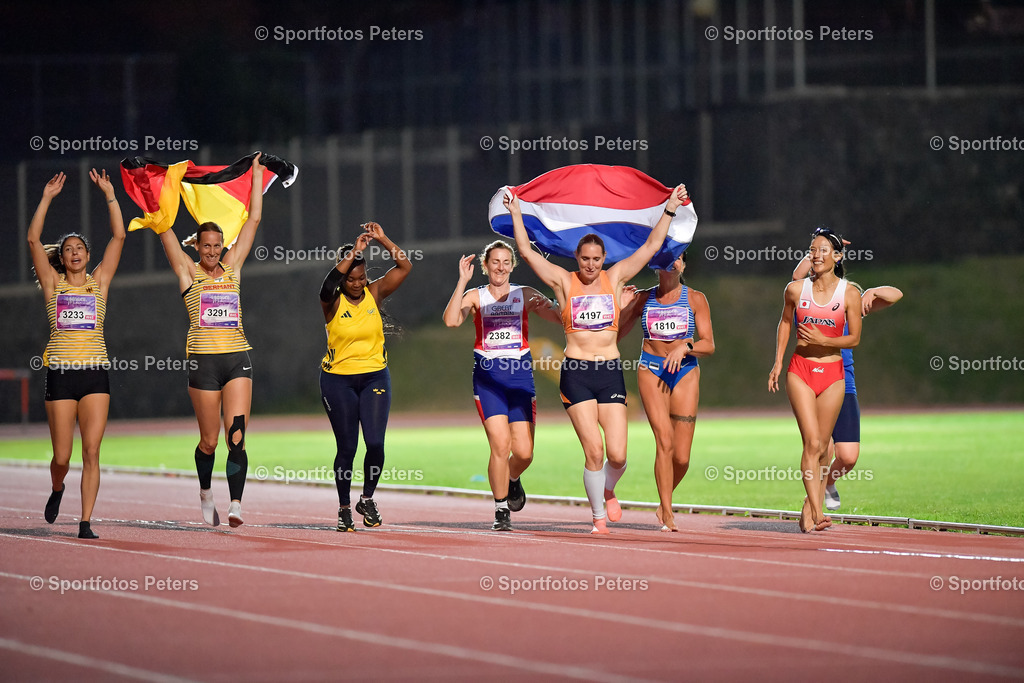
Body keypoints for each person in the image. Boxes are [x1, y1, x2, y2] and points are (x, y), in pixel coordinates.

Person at [507, 184, 690, 534]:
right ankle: (597, 520)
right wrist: (517, 213)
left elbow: (652, 245)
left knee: (618, 455)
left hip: (609, 372)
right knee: (594, 450)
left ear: (603, 259)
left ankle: (607, 488)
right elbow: (528, 253)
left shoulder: (615, 276)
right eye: (584, 259)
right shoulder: (563, 281)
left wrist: (668, 208)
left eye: (596, 259)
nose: (590, 265)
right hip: (576, 372)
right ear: (577, 259)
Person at [157, 153, 266, 528]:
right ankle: (206, 490)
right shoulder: (187, 273)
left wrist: (254, 175)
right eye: (206, 246)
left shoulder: (233, 268)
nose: (212, 251)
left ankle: (235, 504)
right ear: (197, 247)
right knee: (210, 442)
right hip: (202, 364)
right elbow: (164, 228)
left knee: (237, 436)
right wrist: (154, 191)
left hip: (237, 359)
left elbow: (253, 219)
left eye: (217, 246)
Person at [28, 169, 126, 539]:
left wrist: (110, 195)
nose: (73, 253)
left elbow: (119, 235)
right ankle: (57, 488)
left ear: (87, 255)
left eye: (79, 248)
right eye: (67, 249)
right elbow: (33, 239)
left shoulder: (99, 283)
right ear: (63, 258)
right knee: (63, 458)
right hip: (61, 373)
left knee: (91, 452)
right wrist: (47, 198)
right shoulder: (53, 285)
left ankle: (85, 522)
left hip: (95, 373)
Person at [442, 240, 561, 531]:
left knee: (524, 453)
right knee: (500, 445)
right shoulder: (476, 296)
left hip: (520, 378)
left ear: (512, 265)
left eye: (506, 262)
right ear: (485, 266)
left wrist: (560, 289)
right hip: (488, 379)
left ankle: (511, 479)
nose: (501, 267)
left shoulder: (525, 294)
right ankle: (500, 509)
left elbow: (559, 316)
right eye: (495, 262)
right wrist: (462, 282)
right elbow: (451, 321)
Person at [319, 222, 412, 531]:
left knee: (374, 443)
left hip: (374, 378)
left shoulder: (374, 293)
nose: (357, 284)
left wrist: (382, 238)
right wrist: (354, 252)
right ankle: (344, 507)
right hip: (338, 381)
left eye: (361, 277)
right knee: (347, 447)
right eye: (351, 278)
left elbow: (404, 265)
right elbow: (327, 284)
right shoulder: (331, 301)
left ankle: (367, 498)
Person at [791, 254, 903, 511]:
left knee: (848, 457)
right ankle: (813, 507)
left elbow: (896, 295)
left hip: (842, 381)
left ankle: (828, 483)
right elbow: (797, 277)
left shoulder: (848, 297)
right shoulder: (804, 296)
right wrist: (818, 248)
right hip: (810, 377)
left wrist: (872, 292)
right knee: (822, 449)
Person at [769, 227, 861, 533]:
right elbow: (784, 322)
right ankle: (819, 512)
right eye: (813, 249)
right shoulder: (796, 290)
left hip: (834, 373)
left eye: (823, 250)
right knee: (812, 442)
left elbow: (855, 338)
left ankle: (808, 511)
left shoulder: (849, 293)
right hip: (801, 370)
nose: (816, 254)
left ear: (837, 257)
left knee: (826, 448)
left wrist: (825, 337)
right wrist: (778, 362)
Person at [618, 251, 714, 531]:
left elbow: (709, 344)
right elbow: (615, 332)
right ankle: (668, 512)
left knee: (681, 457)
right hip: (651, 368)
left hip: (685, 370)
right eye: (667, 257)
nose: (673, 262)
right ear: (655, 265)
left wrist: (686, 346)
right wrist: (622, 305)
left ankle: (664, 500)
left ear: (683, 264)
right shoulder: (643, 298)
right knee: (664, 441)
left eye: (679, 257)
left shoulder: (696, 298)